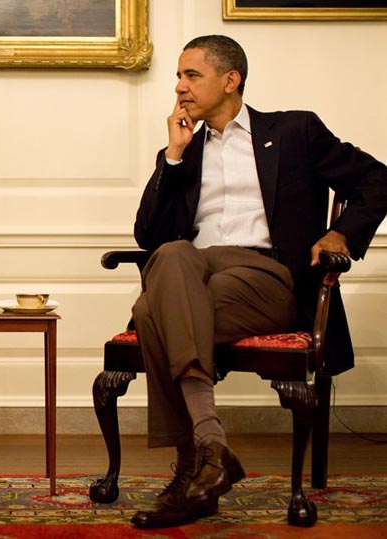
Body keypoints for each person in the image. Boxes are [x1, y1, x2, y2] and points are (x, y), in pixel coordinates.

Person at [129, 35, 387, 529]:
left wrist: (340, 232)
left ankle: (189, 472)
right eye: (177, 77)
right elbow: (148, 236)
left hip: (265, 276)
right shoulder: (188, 148)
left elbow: (379, 179)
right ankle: (210, 456)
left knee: (151, 313)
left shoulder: (294, 130)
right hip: (194, 271)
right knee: (174, 256)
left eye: (191, 75)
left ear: (231, 81)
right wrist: (174, 156)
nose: (179, 87)